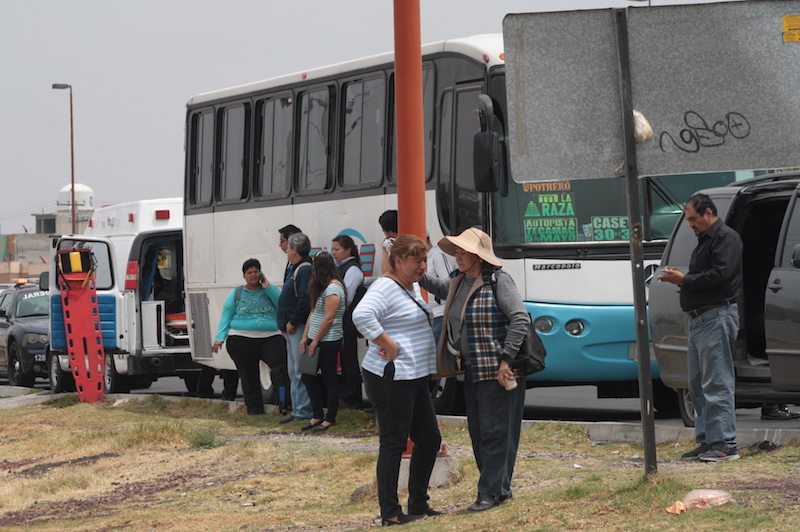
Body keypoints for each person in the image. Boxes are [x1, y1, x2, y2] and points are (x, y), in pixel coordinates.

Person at [418, 227, 528, 512]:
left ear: (478, 256)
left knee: (495, 432)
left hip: (498, 371)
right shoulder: (459, 280)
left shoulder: (499, 281)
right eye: (456, 251)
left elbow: (519, 319)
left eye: (462, 251)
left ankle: (489, 492)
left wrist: (506, 360)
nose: (457, 256)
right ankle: (499, 488)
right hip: (471, 370)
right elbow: (441, 288)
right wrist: (415, 271)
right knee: (480, 433)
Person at [352, 234, 441, 526]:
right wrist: (387, 342)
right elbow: (362, 314)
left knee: (429, 439)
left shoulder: (409, 285)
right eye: (419, 261)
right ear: (399, 260)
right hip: (392, 376)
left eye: (425, 260)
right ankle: (390, 512)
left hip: (412, 375)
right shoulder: (385, 287)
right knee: (393, 442)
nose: (424, 267)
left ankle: (418, 503)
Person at [658, 193, 742, 462]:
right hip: (700, 319)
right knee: (697, 385)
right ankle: (706, 441)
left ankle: (725, 444)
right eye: (688, 220)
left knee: (717, 382)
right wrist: (683, 278)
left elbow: (721, 274)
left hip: (716, 316)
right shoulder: (705, 241)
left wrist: (685, 279)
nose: (691, 225)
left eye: (694, 219)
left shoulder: (726, 238)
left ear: (708, 213)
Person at [211, 258, 282, 415]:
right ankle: (254, 409)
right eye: (249, 272)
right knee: (248, 374)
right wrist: (219, 338)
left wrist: (268, 287)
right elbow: (226, 316)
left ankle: (284, 404)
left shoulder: (268, 289)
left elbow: (281, 302)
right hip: (241, 337)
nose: (253, 275)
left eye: (256, 271)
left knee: (281, 369)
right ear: (244, 276)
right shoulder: (237, 293)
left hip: (270, 336)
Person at [299, 252, 346, 431]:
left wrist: (315, 341)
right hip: (314, 338)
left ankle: (330, 417)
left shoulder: (334, 288)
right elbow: (313, 312)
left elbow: (329, 318)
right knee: (307, 376)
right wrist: (305, 337)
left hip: (328, 340)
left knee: (329, 378)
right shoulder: (321, 287)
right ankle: (316, 414)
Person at [277, 232, 315, 424]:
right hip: (291, 327)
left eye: (289, 248)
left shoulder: (305, 269)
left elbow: (304, 299)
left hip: (297, 327)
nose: (286, 251)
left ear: (295, 249)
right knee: (293, 370)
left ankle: (303, 410)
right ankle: (298, 408)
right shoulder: (295, 267)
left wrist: (292, 320)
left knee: (299, 370)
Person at [332, 234, 365, 409]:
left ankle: (352, 398)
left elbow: (346, 297)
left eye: (337, 249)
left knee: (349, 358)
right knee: (344, 359)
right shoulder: (342, 268)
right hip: (341, 318)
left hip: (346, 319)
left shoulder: (352, 270)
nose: (334, 253)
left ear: (348, 250)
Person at [378, 210, 398, 275]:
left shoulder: (389, 245)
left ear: (390, 232)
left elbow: (386, 273)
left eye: (383, 230)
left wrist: (385, 250)